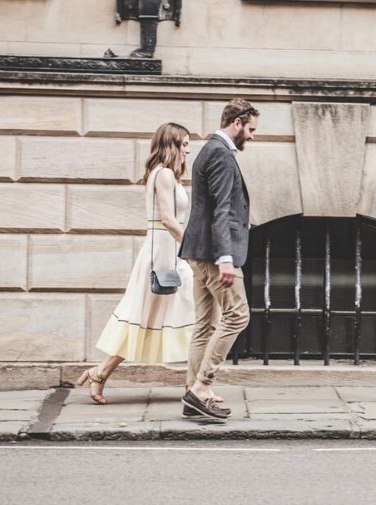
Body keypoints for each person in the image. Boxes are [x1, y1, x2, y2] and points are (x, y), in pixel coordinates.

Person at [76, 122, 196, 404]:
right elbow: (167, 219)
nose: (188, 150)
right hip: (164, 254)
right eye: (185, 144)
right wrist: (191, 246)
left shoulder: (163, 174)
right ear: (172, 144)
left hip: (167, 251)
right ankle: (198, 385)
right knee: (153, 316)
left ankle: (101, 373)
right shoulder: (164, 174)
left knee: (154, 317)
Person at [179, 98, 259, 420]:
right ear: (237, 123)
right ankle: (202, 386)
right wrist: (226, 258)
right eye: (251, 129)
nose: (252, 136)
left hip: (198, 251)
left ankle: (192, 393)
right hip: (215, 254)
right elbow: (222, 210)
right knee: (238, 315)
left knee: (205, 324)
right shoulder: (222, 155)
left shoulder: (208, 150)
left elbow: (212, 207)